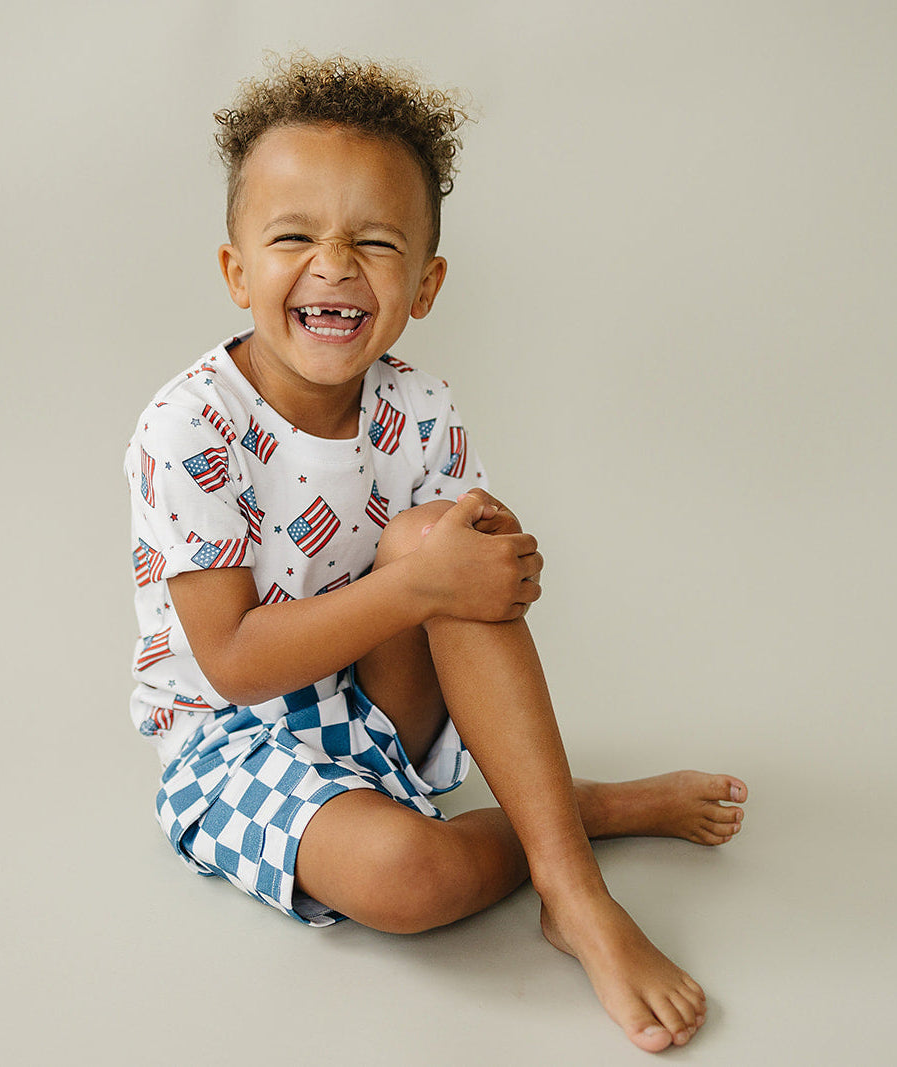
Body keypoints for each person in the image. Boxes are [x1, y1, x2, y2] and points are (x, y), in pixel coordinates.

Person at [125, 54, 747, 1054]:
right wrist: (422, 581)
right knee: (408, 881)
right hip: (229, 736)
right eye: (293, 237)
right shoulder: (190, 427)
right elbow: (232, 660)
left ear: (423, 283)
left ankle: (569, 888)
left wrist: (489, 574)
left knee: (442, 536)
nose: (333, 264)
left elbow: (455, 587)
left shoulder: (418, 406)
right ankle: (587, 808)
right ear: (236, 269)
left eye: (373, 242)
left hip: (383, 700)